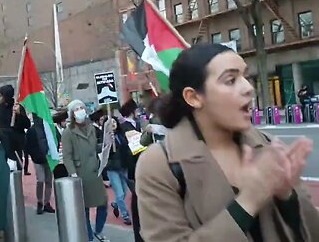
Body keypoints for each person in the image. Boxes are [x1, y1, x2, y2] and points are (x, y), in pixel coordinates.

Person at [136, 44, 319, 242]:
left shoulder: (266, 146)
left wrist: (288, 196)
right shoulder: (159, 164)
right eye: (231, 80)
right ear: (194, 97)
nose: (249, 88)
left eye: (245, 77)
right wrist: (248, 201)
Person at [61, 100, 109, 242]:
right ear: (72, 113)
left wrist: (106, 143)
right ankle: (89, 237)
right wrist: (73, 174)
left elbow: (95, 148)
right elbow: (67, 156)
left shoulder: (91, 128)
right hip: (80, 174)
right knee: (84, 209)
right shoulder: (68, 132)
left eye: (82, 107)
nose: (80, 110)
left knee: (103, 203)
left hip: (95, 172)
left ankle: (98, 230)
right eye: (76, 109)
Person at [0, 85, 31, 174]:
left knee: (16, 172)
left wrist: (19, 114)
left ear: (6, 97)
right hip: (5, 141)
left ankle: (15, 163)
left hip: (16, 141)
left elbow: (27, 124)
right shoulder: (1, 107)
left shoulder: (17, 107)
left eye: (0, 96)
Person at [119, 98, 144, 242]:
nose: (138, 112)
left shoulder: (138, 124)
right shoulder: (125, 127)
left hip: (141, 161)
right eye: (136, 110)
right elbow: (130, 147)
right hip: (133, 165)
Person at [104, 116, 132, 225]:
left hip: (123, 166)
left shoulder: (121, 135)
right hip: (112, 168)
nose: (113, 124)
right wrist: (109, 143)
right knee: (119, 193)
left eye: (114, 122)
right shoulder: (106, 138)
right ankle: (125, 216)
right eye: (110, 123)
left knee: (125, 192)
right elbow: (103, 152)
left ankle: (116, 204)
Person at [25, 113, 55, 215]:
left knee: (48, 181)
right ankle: (40, 201)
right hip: (38, 159)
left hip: (47, 158)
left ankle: (46, 202)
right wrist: (35, 156)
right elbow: (28, 146)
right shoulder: (32, 131)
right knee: (41, 180)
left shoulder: (48, 129)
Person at [53, 110, 69, 178]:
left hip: (65, 160)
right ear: (59, 122)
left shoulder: (65, 131)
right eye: (64, 121)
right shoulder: (54, 132)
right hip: (58, 160)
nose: (65, 123)